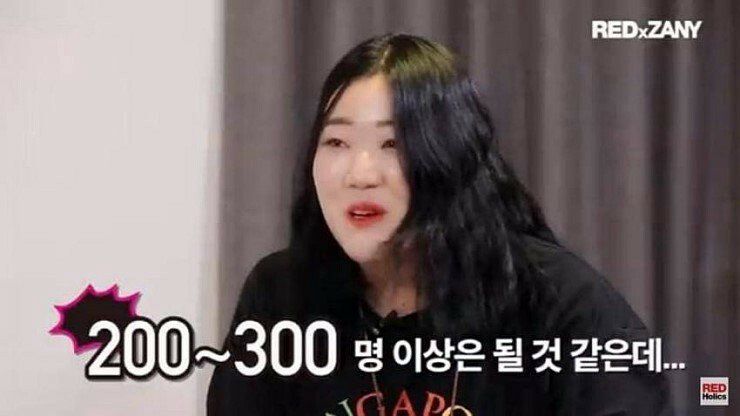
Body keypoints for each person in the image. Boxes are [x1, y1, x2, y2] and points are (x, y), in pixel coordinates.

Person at [207, 34, 672, 415]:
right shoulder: (280, 298)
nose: (359, 174)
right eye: (337, 142)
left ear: (451, 158)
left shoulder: (559, 304)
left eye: (392, 144)